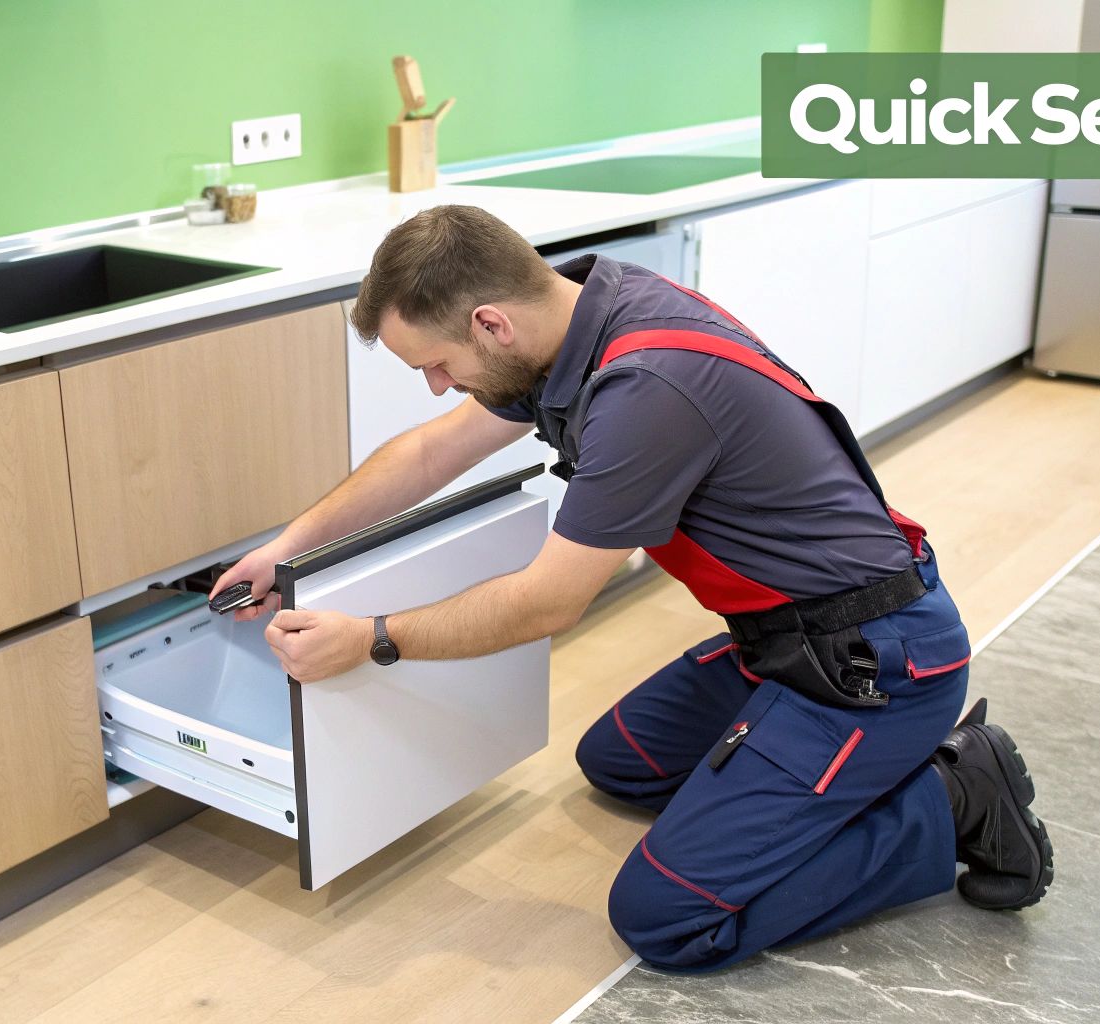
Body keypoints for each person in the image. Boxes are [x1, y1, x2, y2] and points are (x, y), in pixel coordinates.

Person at [210, 204, 1053, 970]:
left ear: (490, 323)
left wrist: (373, 637)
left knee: (668, 919)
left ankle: (953, 794)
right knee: (619, 761)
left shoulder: (646, 390)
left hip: (872, 667)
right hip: (781, 639)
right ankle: (794, 771)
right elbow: (431, 452)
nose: (436, 385)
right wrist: (289, 549)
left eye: (435, 364)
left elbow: (548, 601)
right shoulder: (585, 314)